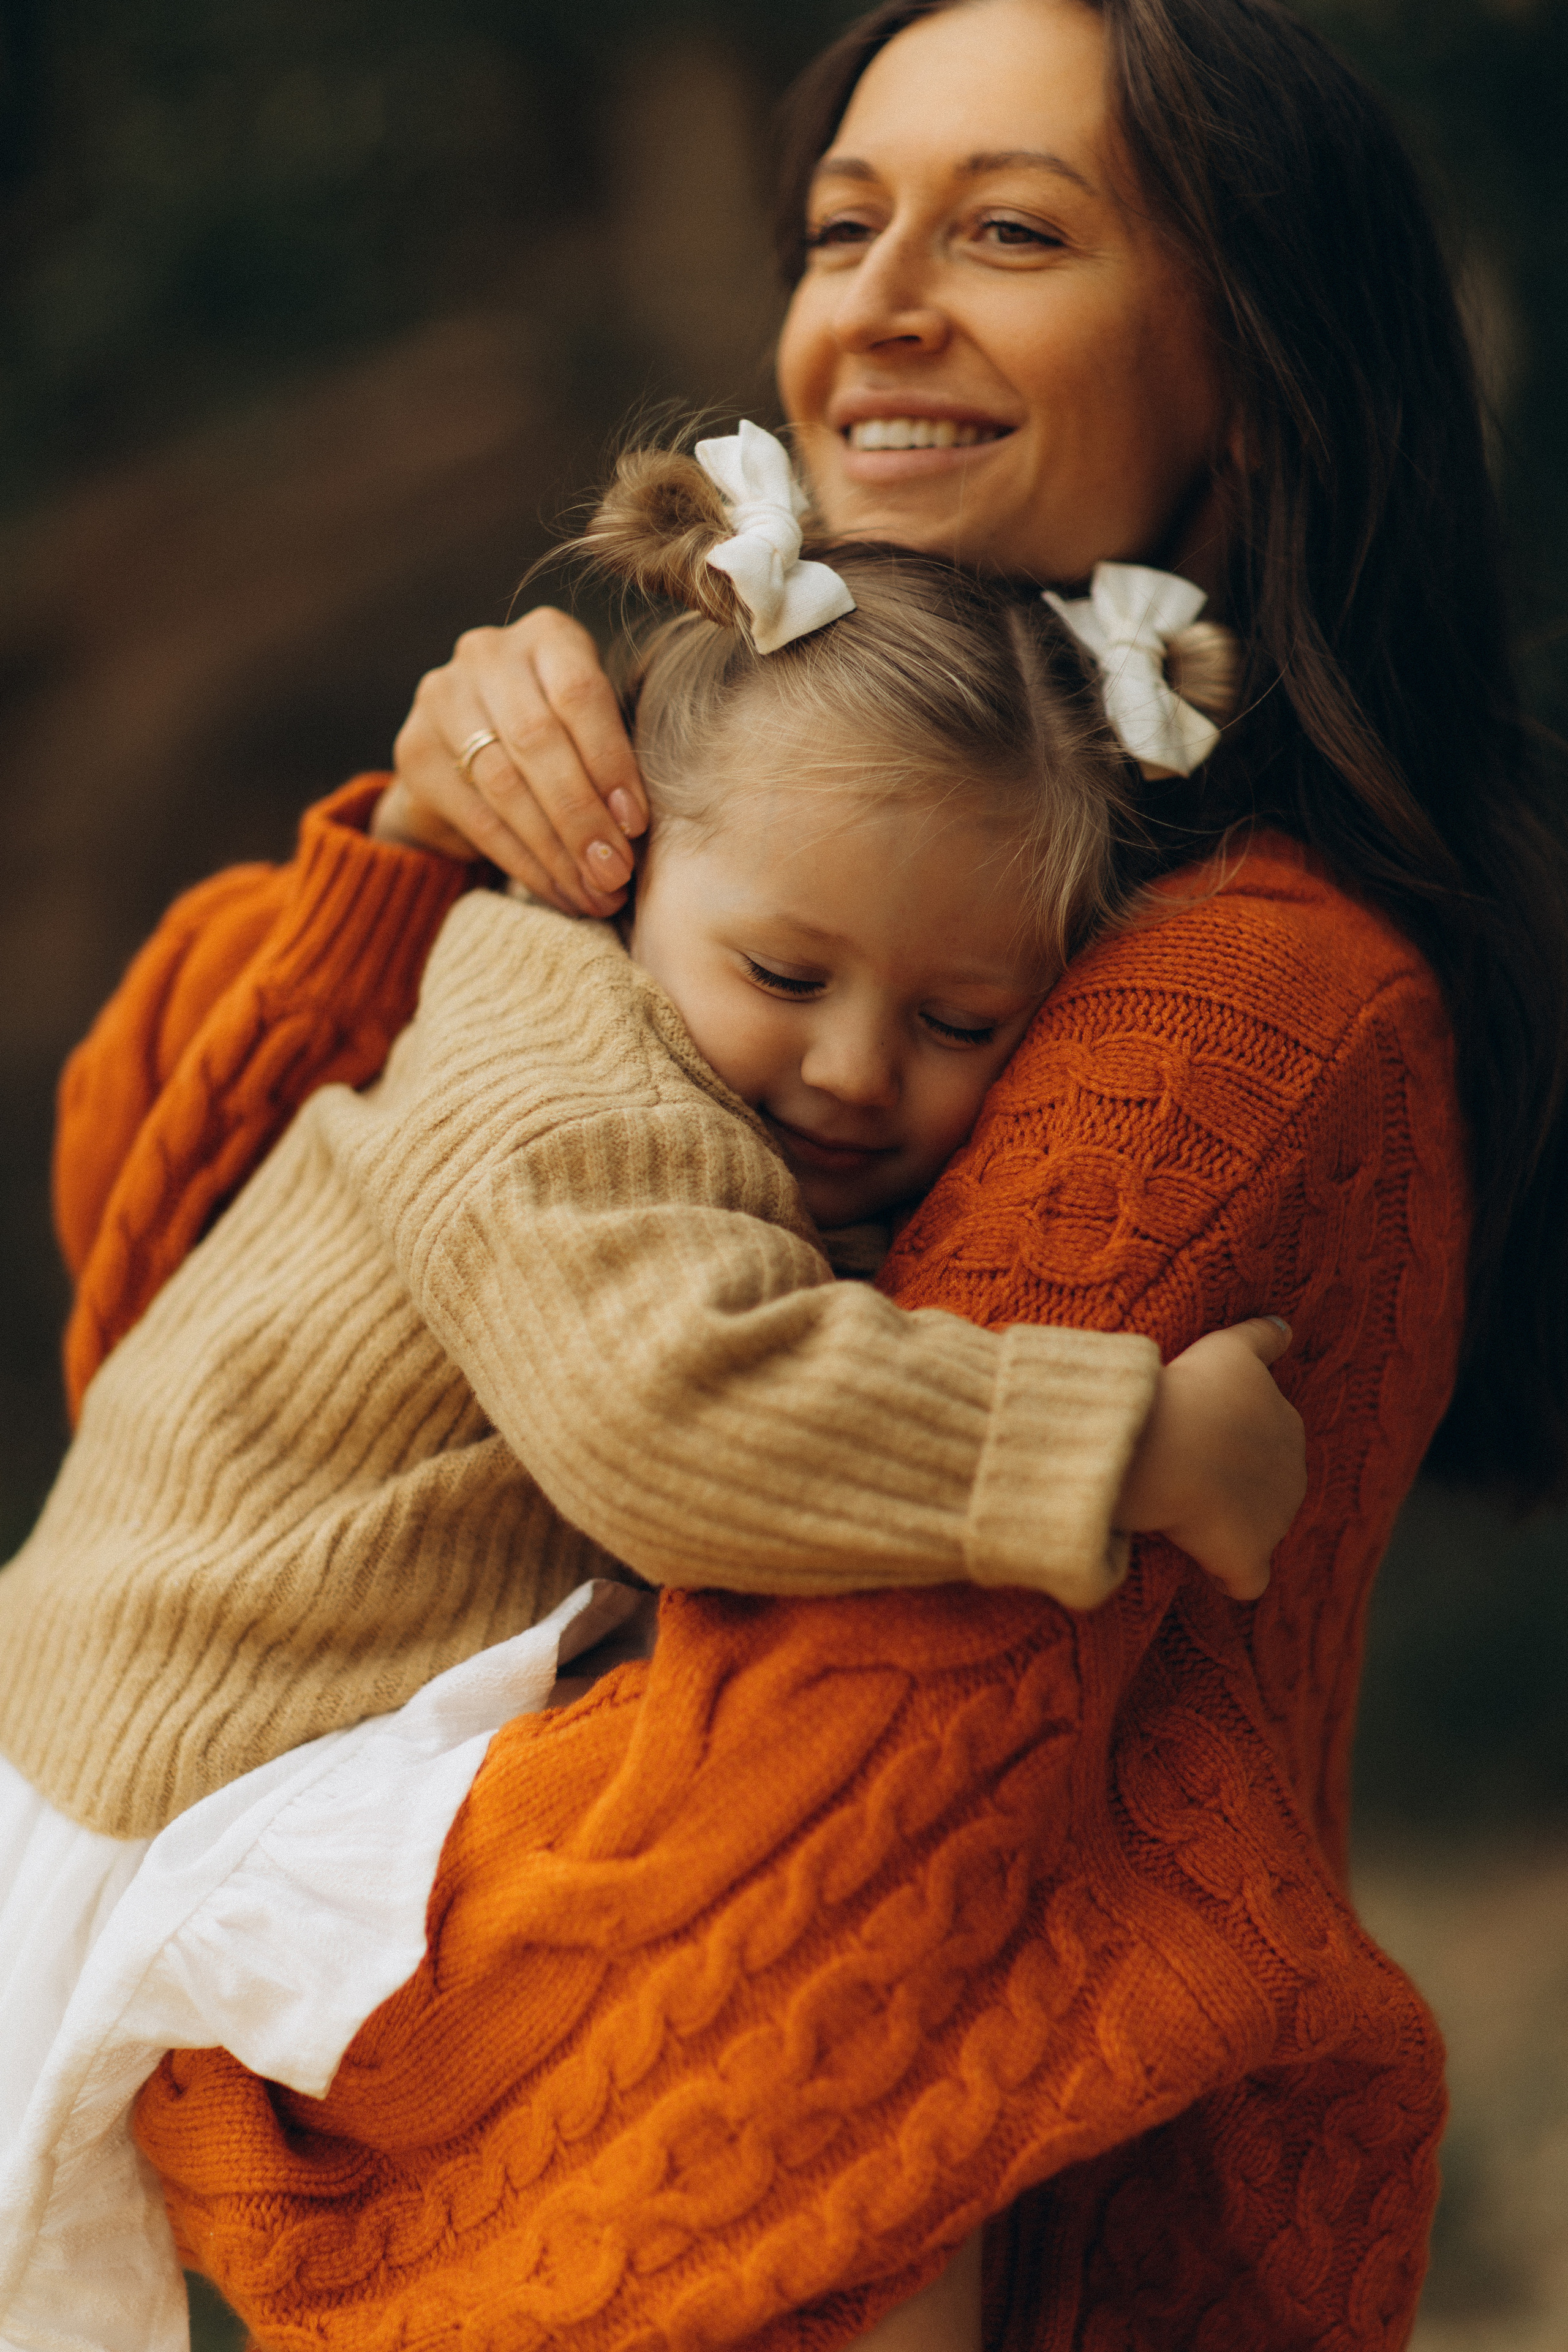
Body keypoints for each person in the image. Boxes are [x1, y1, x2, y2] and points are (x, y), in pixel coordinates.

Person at [33, 0, 1568, 2345]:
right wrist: (410, 862)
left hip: (834, 2218)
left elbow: (845, 1803)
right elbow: (154, 1310)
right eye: (845, 228)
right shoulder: (671, 882)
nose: (884, 301)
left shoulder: (1232, 994)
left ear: (1258, 366)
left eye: (1012, 231)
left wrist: (290, 2031)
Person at [0, 424, 1306, 2321]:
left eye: (959, 1023)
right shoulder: (549, 1065)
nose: (854, 1069)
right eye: (786, 977)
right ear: (618, 875)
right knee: (799, 2054)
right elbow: (675, 1410)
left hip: (262, 1704)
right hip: (199, 1747)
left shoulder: (704, 1085)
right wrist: (1122, 1442)